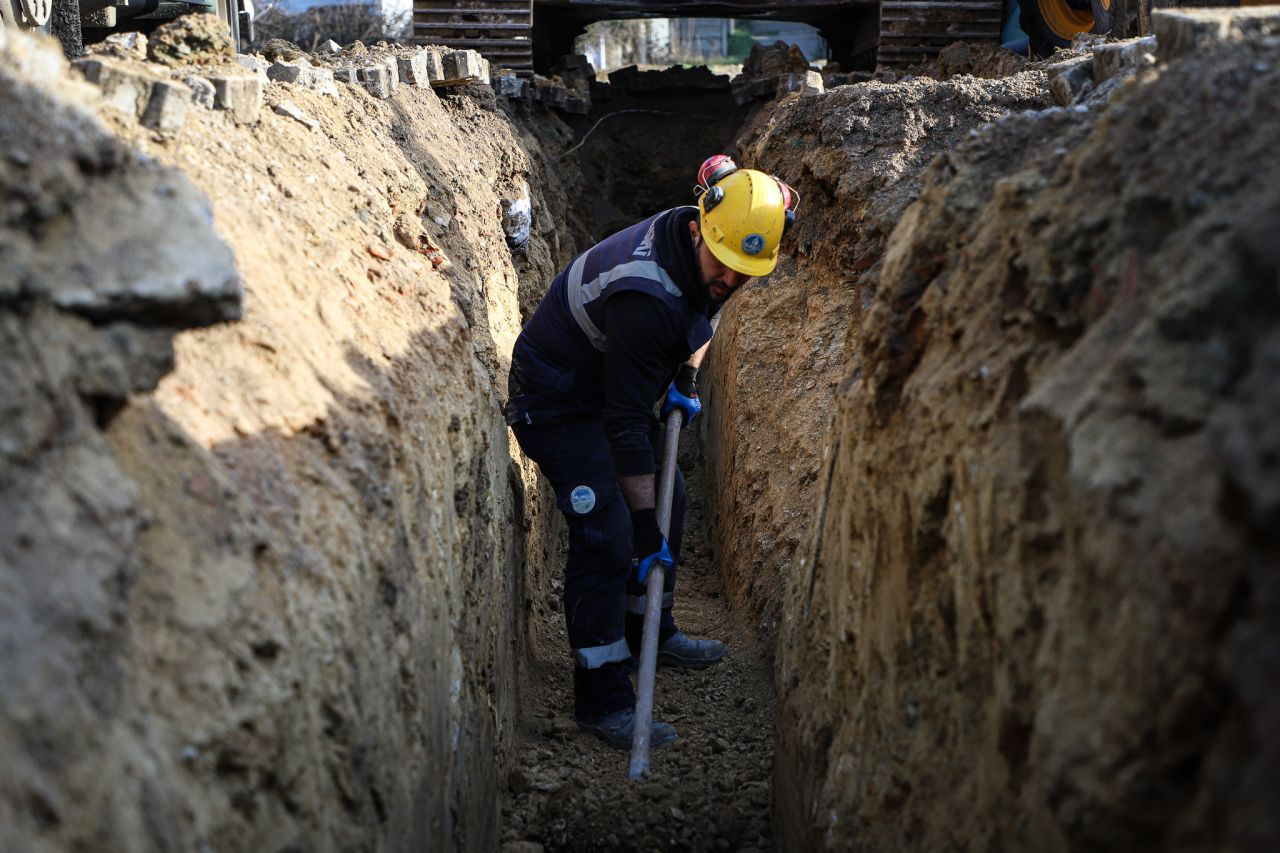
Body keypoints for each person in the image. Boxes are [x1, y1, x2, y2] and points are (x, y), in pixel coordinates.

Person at [504, 155, 797, 748]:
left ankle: (651, 635)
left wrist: (686, 382)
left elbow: (706, 308)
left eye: (746, 272)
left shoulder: (707, 247)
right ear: (698, 232)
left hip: (602, 385)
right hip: (557, 399)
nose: (732, 282)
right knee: (608, 534)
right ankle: (604, 698)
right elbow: (625, 428)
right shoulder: (645, 297)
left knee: (675, 496)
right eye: (726, 267)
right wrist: (644, 529)